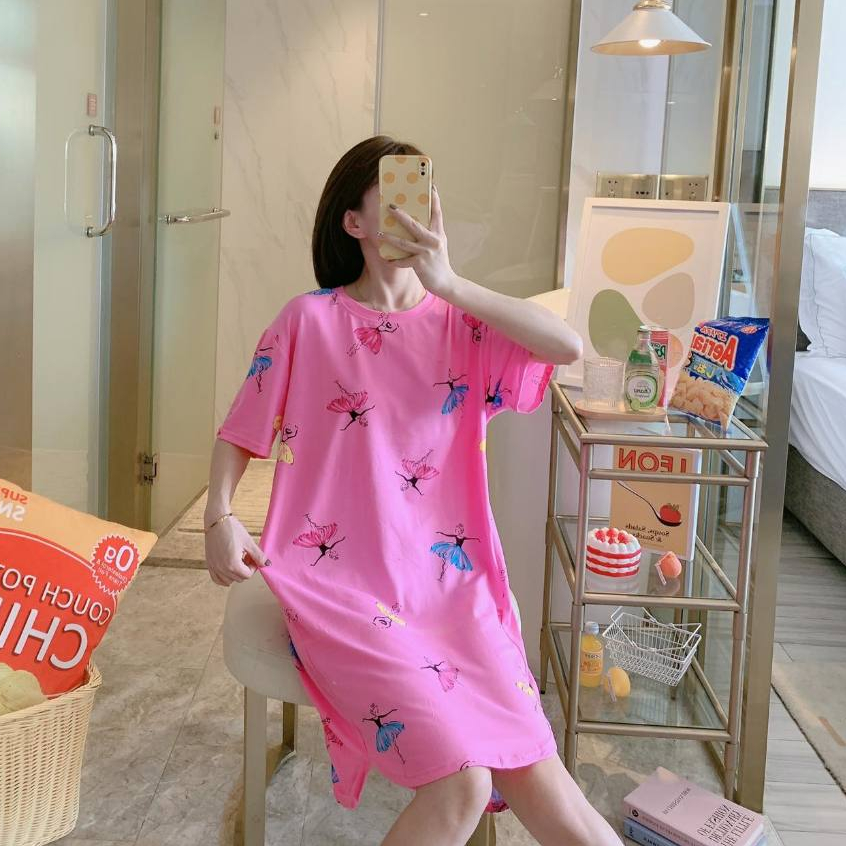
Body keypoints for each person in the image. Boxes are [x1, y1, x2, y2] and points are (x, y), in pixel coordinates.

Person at [204, 135, 622, 846]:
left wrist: (450, 282)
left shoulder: (462, 324)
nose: (417, 207)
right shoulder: (309, 320)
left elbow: (566, 347)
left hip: (455, 592)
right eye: (396, 194)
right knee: (466, 780)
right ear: (354, 223)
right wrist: (219, 516)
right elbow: (241, 428)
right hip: (341, 590)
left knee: (544, 781)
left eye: (425, 191)